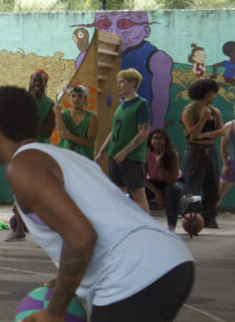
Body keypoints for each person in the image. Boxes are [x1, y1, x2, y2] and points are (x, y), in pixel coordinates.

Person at [0, 85, 195, 322]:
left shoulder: (21, 167)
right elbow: (101, 222)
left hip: (133, 273)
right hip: (172, 262)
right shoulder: (65, 158)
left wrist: (56, 311)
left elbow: (81, 237)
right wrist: (70, 280)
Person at [6, 69, 56, 242]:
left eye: (40, 82)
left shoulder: (50, 105)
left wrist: (34, 118)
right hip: (21, 151)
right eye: (34, 81)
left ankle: (45, 231)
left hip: (40, 152)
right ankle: (19, 229)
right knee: (19, 191)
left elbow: (48, 131)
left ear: (45, 85)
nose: (37, 85)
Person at [96, 68, 151, 214]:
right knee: (118, 194)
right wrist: (102, 152)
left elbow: (144, 132)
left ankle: (149, 229)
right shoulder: (120, 106)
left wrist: (125, 152)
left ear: (132, 83)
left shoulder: (141, 104)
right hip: (115, 156)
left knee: (137, 193)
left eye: (122, 82)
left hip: (131, 157)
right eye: (118, 82)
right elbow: (114, 132)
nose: (118, 85)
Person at [180, 78, 224, 228]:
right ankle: (190, 217)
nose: (214, 96)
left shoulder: (215, 111)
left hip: (211, 151)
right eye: (213, 93)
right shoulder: (189, 111)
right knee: (192, 186)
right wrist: (203, 119)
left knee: (213, 188)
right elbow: (192, 134)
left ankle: (209, 217)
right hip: (195, 152)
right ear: (206, 93)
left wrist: (205, 136)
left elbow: (222, 131)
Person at [145, 129, 187, 231]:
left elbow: (172, 181)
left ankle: (171, 226)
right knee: (136, 190)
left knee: (172, 190)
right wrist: (157, 192)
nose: (157, 141)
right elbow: (142, 178)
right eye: (154, 138)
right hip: (155, 183)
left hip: (175, 182)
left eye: (160, 138)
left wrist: (160, 165)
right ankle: (139, 224)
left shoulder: (173, 155)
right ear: (150, 140)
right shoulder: (147, 153)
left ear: (165, 141)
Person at [53, 85, 98, 160]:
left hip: (83, 159)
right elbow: (62, 133)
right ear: (69, 98)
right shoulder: (63, 115)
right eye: (73, 96)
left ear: (85, 99)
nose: (76, 99)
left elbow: (90, 143)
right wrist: (57, 113)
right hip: (65, 158)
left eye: (80, 96)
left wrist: (70, 136)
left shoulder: (92, 117)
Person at [219, 114, 235, 206]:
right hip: (232, 164)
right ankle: (210, 217)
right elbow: (223, 146)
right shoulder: (229, 126)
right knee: (219, 192)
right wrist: (225, 164)